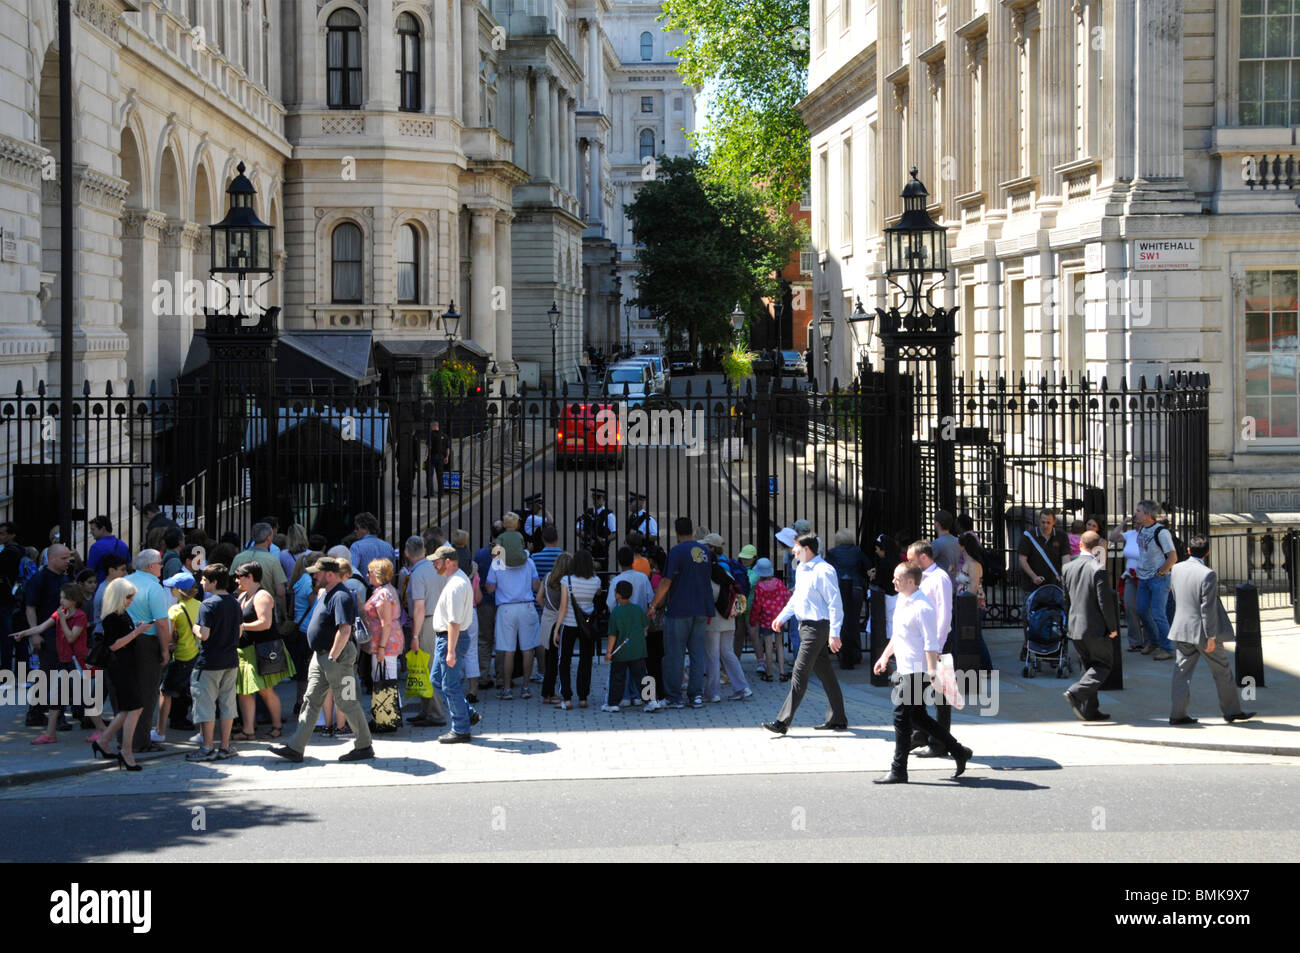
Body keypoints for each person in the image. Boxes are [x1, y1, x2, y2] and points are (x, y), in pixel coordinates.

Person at [871, 562, 972, 784]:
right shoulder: (902, 601)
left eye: (897, 578)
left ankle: (899, 770)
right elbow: (898, 635)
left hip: (919, 671)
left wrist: (933, 672)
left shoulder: (923, 607)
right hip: (905, 668)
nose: (893, 581)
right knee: (918, 716)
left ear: (910, 581)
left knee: (900, 716)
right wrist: (885, 656)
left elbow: (931, 642)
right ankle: (958, 751)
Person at [271, 556, 375, 762]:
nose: (313, 576)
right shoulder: (327, 594)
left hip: (336, 658)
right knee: (311, 700)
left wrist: (333, 657)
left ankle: (364, 746)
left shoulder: (341, 596)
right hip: (322, 657)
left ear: (329, 574)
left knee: (347, 702)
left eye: (316, 573)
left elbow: (344, 630)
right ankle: (296, 747)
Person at [762, 533, 848, 735]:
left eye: (797, 547)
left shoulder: (824, 571)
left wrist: (834, 633)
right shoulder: (801, 568)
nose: (793, 550)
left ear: (807, 549)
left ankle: (782, 722)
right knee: (826, 674)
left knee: (800, 674)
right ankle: (838, 719)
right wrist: (782, 617)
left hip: (817, 628)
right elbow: (796, 599)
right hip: (806, 627)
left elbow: (835, 604)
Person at [1168, 535, 1255, 727]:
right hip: (1202, 632)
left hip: (1182, 627)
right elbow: (1207, 608)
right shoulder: (1207, 574)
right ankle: (1232, 711)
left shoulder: (1176, 568)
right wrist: (1211, 636)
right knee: (1222, 671)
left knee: (1181, 673)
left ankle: (1177, 714)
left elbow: (1174, 594)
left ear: (1189, 551)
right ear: (1207, 553)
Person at [648, 518, 714, 710]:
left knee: (674, 655)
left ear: (676, 532)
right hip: (701, 608)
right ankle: (696, 696)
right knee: (697, 654)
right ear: (692, 530)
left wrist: (653, 605)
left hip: (679, 609)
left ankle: (674, 696)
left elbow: (666, 582)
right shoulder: (705, 552)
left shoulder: (676, 552)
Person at [11, 582, 87, 743]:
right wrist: (23, 633)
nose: (61, 601)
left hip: (75, 662)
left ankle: (102, 731)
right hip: (64, 661)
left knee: (82, 698)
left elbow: (71, 637)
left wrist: (62, 620)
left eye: (64, 598)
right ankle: (50, 734)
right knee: (56, 698)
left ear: (73, 600)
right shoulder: (61, 613)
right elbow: (41, 627)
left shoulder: (79, 616)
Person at [89, 578, 152, 770]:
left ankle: (104, 741)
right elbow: (114, 645)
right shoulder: (112, 617)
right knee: (134, 707)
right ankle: (125, 751)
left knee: (129, 709)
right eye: (128, 597)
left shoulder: (121, 614)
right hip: (120, 666)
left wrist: (137, 629)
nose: (131, 600)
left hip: (126, 664)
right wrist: (137, 631)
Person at [231, 561, 295, 740]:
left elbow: (265, 623)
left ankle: (276, 727)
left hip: (261, 651)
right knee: (244, 691)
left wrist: (242, 626)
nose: (236, 580)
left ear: (250, 577)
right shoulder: (244, 596)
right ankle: (248, 730)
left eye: (239, 577)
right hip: (245, 651)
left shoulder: (262, 596)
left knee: (265, 690)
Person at [1061, 531, 1120, 722]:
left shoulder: (1067, 567)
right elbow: (1105, 602)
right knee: (1103, 665)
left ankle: (1091, 710)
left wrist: (1069, 623)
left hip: (1075, 626)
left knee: (1088, 668)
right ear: (1098, 548)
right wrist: (1112, 627)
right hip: (1094, 628)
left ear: (1080, 545)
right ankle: (1076, 693)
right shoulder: (1098, 568)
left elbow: (1066, 599)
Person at [427, 544, 482, 743]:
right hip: (449, 639)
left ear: (448, 562)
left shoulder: (455, 585)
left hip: (450, 639)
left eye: (437, 562)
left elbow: (454, 621)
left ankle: (461, 729)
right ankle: (467, 713)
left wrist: (450, 650)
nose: (434, 565)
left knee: (449, 685)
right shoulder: (457, 580)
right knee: (437, 680)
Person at [186, 564, 241, 761]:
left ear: (214, 582)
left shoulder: (208, 605)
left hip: (209, 662)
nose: (201, 582)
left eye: (204, 579)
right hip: (230, 659)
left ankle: (207, 747)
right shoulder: (235, 603)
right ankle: (225, 746)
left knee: (205, 705)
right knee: (227, 704)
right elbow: (240, 631)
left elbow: (205, 635)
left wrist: (194, 628)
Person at [907, 540, 954, 757]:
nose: (908, 563)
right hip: (924, 644)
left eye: (911, 559)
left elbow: (944, 615)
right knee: (917, 690)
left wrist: (938, 646)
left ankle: (939, 743)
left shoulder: (939, 578)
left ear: (923, 557)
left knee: (940, 696)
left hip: (937, 645)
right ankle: (919, 735)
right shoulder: (922, 578)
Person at [124, 550, 172, 753]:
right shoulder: (154, 587)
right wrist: (165, 649)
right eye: (160, 563)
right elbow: (161, 623)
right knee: (147, 692)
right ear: (150, 565)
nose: (162, 566)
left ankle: (125, 738)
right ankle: (140, 741)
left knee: (127, 690)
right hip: (146, 642)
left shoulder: (123, 582)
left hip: (124, 641)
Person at [485, 543, 541, 700]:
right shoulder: (528, 561)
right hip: (526, 606)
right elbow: (536, 585)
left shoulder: (498, 562)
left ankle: (507, 688)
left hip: (506, 608)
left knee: (508, 650)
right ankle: (526, 687)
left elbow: (490, 588)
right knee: (528, 648)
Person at [404, 536, 449, 728]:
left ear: (407, 554)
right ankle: (427, 710)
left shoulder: (417, 574)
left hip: (427, 622)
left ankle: (436, 713)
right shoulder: (435, 567)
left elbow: (419, 607)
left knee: (428, 668)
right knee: (427, 667)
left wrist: (415, 635)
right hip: (441, 619)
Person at [702, 534, 752, 703]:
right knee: (728, 653)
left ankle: (713, 692)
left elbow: (710, 597)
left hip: (713, 621)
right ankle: (742, 687)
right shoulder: (726, 571)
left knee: (713, 656)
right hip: (729, 619)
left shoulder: (709, 575)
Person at [552, 548, 603, 710]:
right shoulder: (596, 581)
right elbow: (597, 595)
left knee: (565, 661)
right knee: (586, 660)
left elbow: (563, 607)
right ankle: (583, 697)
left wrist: (556, 629)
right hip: (586, 626)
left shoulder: (567, 581)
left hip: (569, 624)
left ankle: (566, 697)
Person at [601, 580, 661, 713]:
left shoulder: (616, 612)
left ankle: (613, 703)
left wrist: (609, 652)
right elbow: (645, 626)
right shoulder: (638, 609)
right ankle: (651, 701)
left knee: (617, 677)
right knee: (642, 676)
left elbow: (612, 635)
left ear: (617, 595)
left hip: (620, 652)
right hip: (638, 650)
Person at [155, 572, 201, 740]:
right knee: (196, 693)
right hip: (197, 654)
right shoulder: (200, 605)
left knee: (165, 692)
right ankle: (202, 732)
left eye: (173, 588)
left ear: (179, 591)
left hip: (181, 655)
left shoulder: (175, 610)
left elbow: (169, 635)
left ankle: (160, 731)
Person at [1133, 500, 1177, 661]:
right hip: (1143, 577)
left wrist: (1161, 572)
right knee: (1142, 610)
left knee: (1159, 613)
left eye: (1138, 511)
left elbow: (1173, 557)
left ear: (1147, 514)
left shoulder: (1161, 532)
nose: (1135, 513)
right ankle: (1154, 641)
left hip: (1158, 578)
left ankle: (1167, 648)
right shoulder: (1142, 529)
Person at [825, 528, 871, 670]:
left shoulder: (832, 553)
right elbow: (868, 566)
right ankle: (855, 653)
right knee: (854, 622)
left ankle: (840, 651)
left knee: (839, 622)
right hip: (856, 588)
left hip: (839, 590)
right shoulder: (857, 551)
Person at [363, 557, 402, 695]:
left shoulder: (383, 594)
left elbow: (386, 623)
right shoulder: (385, 590)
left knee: (386, 680)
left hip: (385, 644)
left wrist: (381, 648)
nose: (367, 575)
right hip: (385, 642)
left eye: (369, 572)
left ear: (377, 573)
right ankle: (388, 714)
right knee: (385, 680)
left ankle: (391, 715)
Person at [955, 532, 994, 671]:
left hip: (973, 605)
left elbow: (974, 586)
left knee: (976, 636)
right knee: (974, 635)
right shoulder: (968, 563)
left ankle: (987, 667)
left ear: (963, 547)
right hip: (969, 604)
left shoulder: (972, 564)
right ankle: (984, 667)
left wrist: (964, 601)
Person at [537, 552, 572, 704]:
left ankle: (547, 692)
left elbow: (539, 598)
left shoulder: (548, 577)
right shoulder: (567, 581)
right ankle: (549, 694)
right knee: (557, 659)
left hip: (548, 618)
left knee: (548, 656)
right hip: (562, 620)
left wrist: (548, 608)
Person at [233, 523, 288, 614]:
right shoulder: (273, 560)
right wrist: (283, 614)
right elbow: (280, 592)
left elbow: (231, 585)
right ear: (269, 538)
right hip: (266, 610)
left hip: (242, 609)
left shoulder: (238, 558)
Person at [1108, 520, 1146, 652]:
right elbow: (1112, 538)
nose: (1136, 525)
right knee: (1130, 607)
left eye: (1139, 523)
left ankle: (1150, 641)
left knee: (1146, 610)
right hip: (1130, 576)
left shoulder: (1150, 535)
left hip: (1145, 577)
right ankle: (1135, 641)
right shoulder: (1130, 534)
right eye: (1135, 522)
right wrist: (1123, 524)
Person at [749, 558, 789, 682]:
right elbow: (787, 596)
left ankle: (770, 673)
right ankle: (782, 672)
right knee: (779, 644)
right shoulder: (778, 582)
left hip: (766, 618)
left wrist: (753, 619)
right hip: (779, 617)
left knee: (768, 645)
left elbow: (757, 605)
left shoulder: (759, 586)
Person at [577, 487, 616, 572]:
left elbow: (614, 534)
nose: (595, 500)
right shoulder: (588, 512)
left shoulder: (608, 515)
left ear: (604, 499)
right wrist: (588, 536)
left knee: (602, 574)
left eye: (598, 497)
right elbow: (578, 529)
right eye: (594, 497)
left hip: (601, 551)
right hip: (587, 549)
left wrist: (603, 540)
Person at [349, 512, 394, 583]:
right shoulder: (388, 547)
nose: (355, 531)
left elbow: (351, 571)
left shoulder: (356, 546)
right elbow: (392, 573)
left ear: (365, 529)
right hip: (385, 589)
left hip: (365, 590)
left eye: (357, 528)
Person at [86, 516, 130, 584]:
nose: (91, 532)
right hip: (121, 585)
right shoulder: (123, 545)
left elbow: (90, 571)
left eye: (93, 529)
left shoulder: (96, 547)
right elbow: (129, 566)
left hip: (104, 584)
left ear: (103, 529)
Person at [931, 510, 961, 578]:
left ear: (937, 524)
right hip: (957, 582)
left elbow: (926, 563)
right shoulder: (958, 541)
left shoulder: (937, 543)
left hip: (943, 583)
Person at [425, 420, 450, 497]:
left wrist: (426, 457)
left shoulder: (430, 435)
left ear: (433, 426)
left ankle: (430, 493)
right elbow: (447, 448)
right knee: (440, 476)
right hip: (441, 457)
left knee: (430, 476)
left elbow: (428, 447)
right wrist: (447, 457)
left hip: (432, 457)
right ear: (438, 426)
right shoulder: (445, 436)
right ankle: (441, 493)